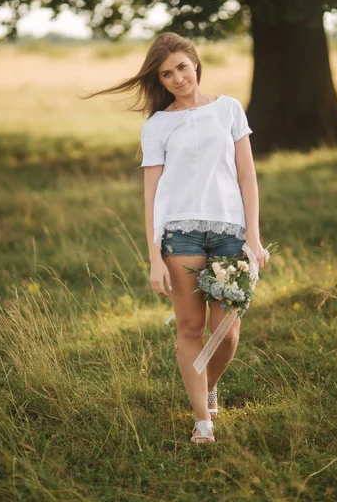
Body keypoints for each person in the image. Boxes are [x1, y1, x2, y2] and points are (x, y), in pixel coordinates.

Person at [90, 31, 269, 444]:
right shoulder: (157, 125)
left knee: (227, 332)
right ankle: (203, 420)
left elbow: (247, 175)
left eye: (181, 68)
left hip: (230, 234)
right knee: (190, 327)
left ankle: (208, 385)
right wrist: (153, 256)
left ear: (195, 63)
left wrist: (254, 237)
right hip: (180, 236)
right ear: (161, 80)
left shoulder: (228, 110)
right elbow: (152, 193)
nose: (176, 78)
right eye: (166, 74)